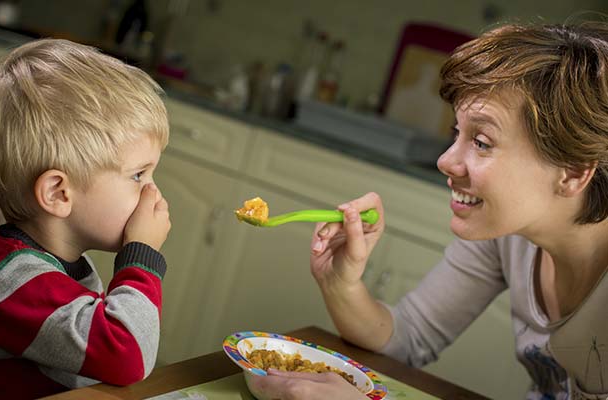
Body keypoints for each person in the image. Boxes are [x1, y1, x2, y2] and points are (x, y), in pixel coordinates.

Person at [250, 20, 608, 400]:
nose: (446, 161)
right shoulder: (509, 236)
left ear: (571, 173)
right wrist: (341, 284)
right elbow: (410, 335)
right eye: (458, 133)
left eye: (482, 142)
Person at [0, 38, 171, 399]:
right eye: (138, 175)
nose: (152, 192)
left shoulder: (63, 263)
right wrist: (141, 257)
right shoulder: (13, 281)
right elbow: (126, 357)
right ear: (58, 193)